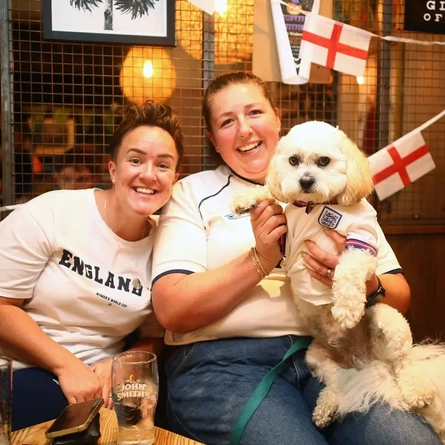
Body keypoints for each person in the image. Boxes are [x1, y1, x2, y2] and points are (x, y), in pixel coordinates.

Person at [151, 72, 441, 445]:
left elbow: (400, 295)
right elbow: (172, 309)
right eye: (227, 121)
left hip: (330, 356)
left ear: (277, 118)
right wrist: (262, 257)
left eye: (254, 112)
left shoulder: (339, 194)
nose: (244, 130)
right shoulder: (193, 193)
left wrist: (367, 285)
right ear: (212, 140)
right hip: (225, 364)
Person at [0, 100, 183, 431]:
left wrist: (120, 363)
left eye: (163, 165)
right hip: (19, 370)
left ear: (175, 178)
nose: (148, 174)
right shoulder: (51, 213)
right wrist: (66, 366)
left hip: (103, 385)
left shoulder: (167, 246)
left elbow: (156, 335)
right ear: (113, 169)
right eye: (136, 160)